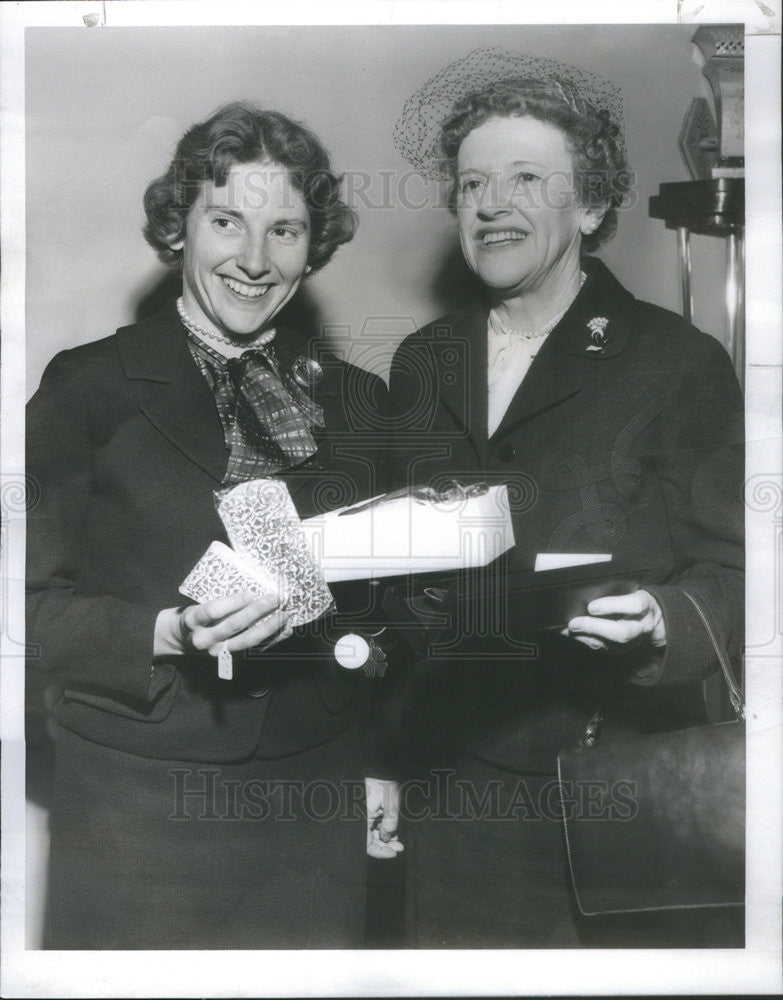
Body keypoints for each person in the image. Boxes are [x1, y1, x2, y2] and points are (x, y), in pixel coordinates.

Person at [383, 49, 744, 947]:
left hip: (617, 783)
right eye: (471, 184)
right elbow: (391, 579)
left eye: (525, 179)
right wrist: (379, 759)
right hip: (453, 780)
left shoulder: (676, 363)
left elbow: (738, 571)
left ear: (589, 204)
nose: (491, 203)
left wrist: (662, 617)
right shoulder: (422, 362)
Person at [26, 101, 390, 949]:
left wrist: (384, 760)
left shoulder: (359, 403)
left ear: (314, 244)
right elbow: (24, 609)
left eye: (286, 230)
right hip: (136, 804)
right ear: (179, 227)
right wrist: (167, 632)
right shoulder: (87, 389)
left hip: (315, 797)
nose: (255, 260)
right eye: (227, 221)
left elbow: (393, 616)